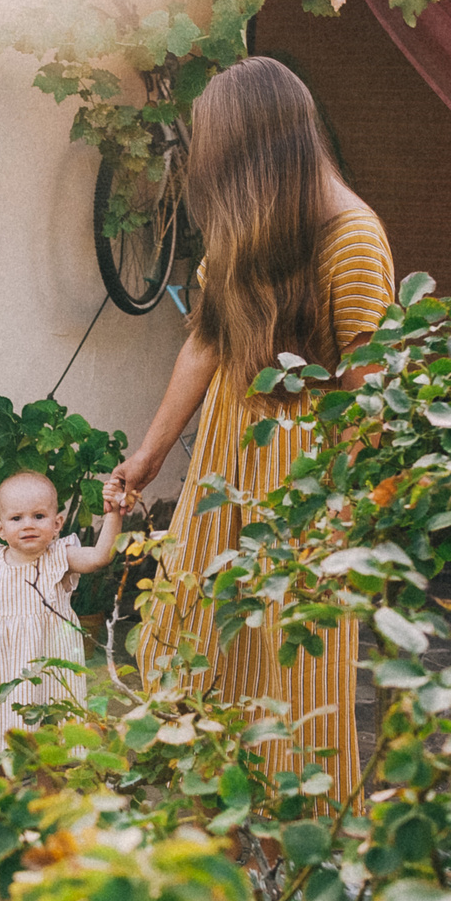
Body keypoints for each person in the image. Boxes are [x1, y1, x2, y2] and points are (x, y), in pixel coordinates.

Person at [107, 55, 395, 790]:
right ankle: (202, 843)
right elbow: (205, 338)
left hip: (303, 496)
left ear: (254, 151)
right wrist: (148, 455)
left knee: (293, 696)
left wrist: (355, 527)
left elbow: (373, 401)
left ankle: (289, 871)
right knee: (190, 649)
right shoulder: (255, 226)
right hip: (223, 477)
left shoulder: (354, 237)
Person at [0, 468, 125, 767]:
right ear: (0, 528)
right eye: (16, 518)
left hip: (49, 663)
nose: (28, 525)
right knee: (1, 724)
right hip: (0, 667)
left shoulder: (60, 556)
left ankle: (50, 793)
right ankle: (3, 789)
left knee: (51, 731)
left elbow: (100, 556)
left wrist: (113, 514)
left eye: (39, 516)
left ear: (57, 523)